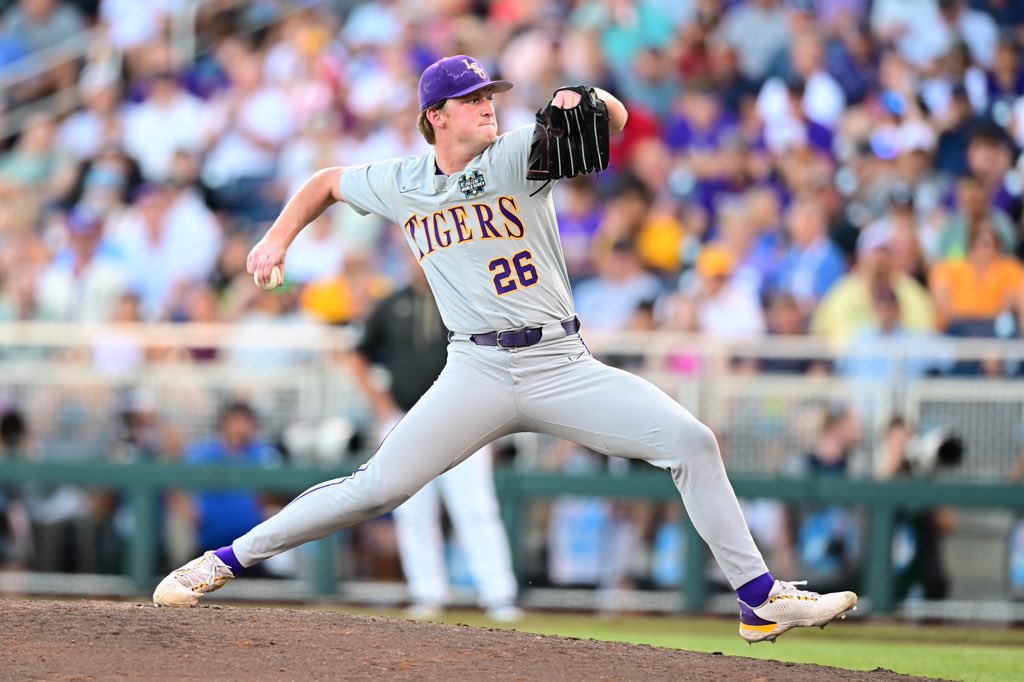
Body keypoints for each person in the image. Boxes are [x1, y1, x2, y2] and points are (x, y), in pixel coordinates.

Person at [153, 54, 857, 643]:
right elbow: (327, 182)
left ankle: (759, 599)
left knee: (691, 440)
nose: (488, 106)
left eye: (491, 94)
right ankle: (222, 562)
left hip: (561, 363)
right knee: (379, 487)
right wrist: (278, 237)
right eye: (472, 99)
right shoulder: (403, 182)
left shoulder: (519, 154)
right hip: (478, 368)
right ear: (437, 115)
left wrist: (591, 97)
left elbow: (607, 123)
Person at [347, 258, 521, 622]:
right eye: (411, 254)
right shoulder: (392, 304)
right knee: (413, 511)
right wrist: (380, 403)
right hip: (406, 419)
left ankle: (498, 595)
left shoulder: (466, 299)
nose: (418, 262)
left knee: (475, 508)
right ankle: (428, 593)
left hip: (463, 418)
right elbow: (358, 354)